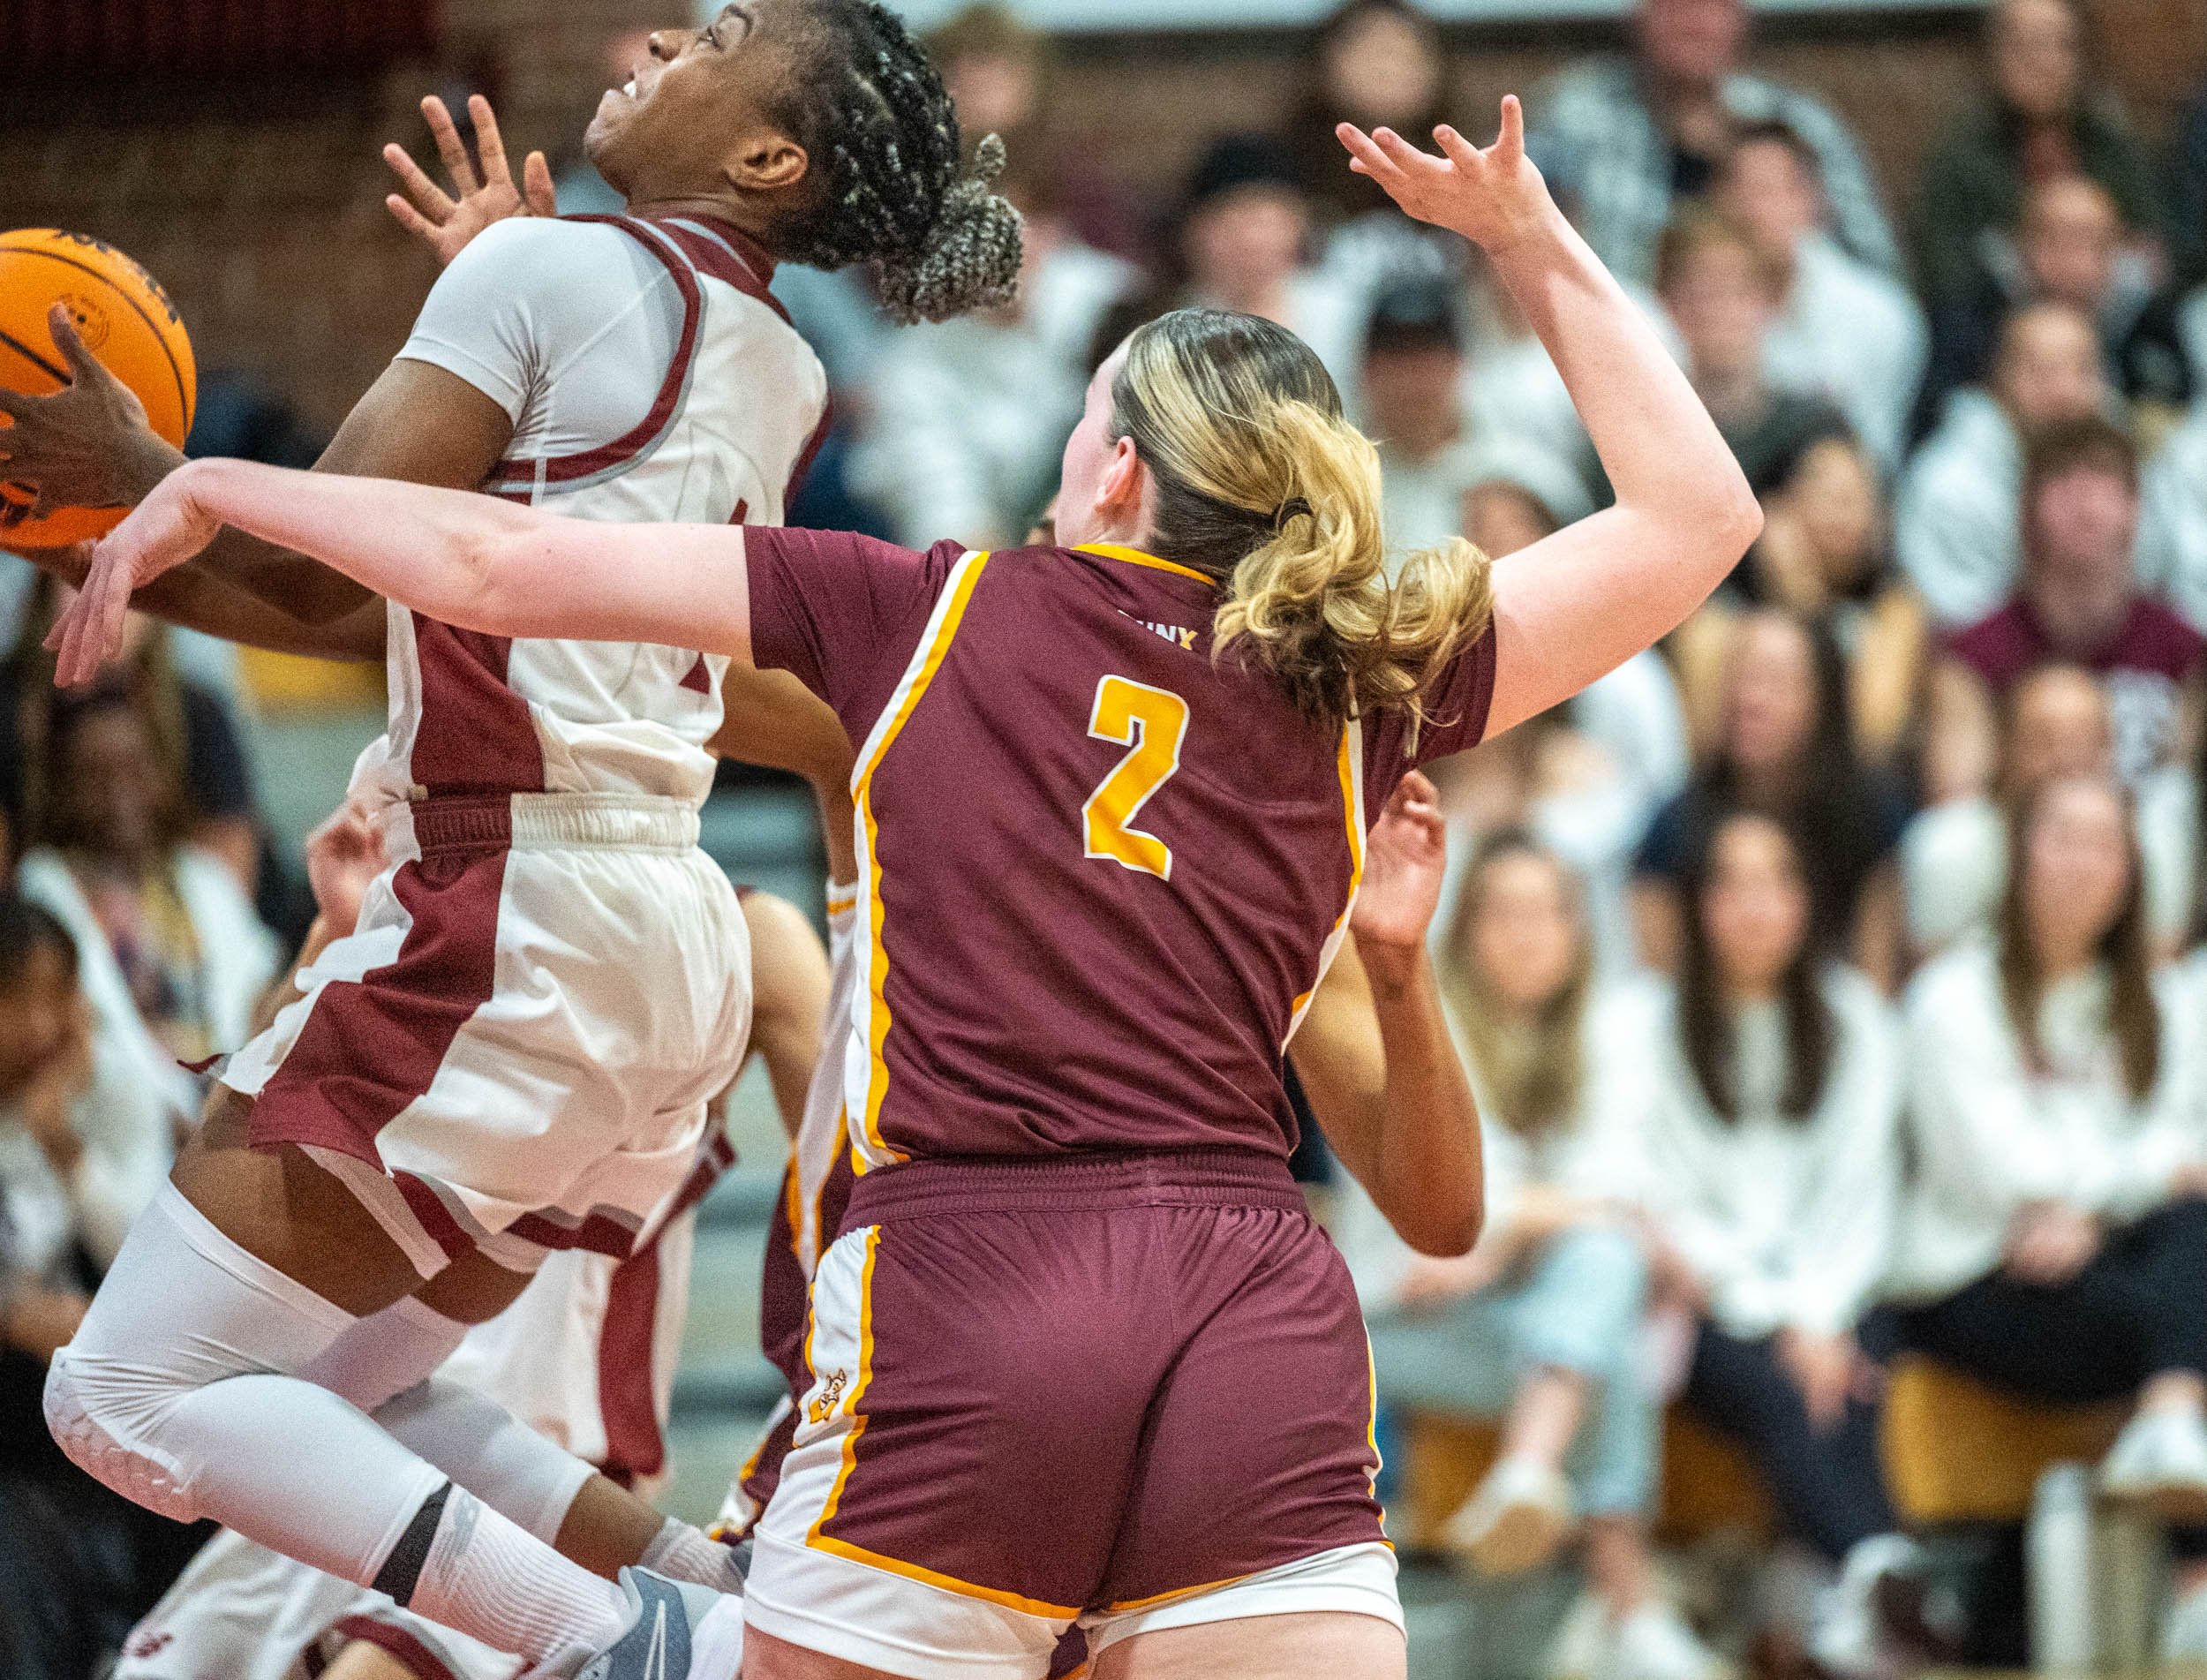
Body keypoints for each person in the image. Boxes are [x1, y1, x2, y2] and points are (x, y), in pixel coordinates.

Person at [49, 98, 1765, 1680]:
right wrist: (1527, 238)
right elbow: (1696, 515)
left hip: (976, 1294)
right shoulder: (1353, 678)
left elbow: (501, 567)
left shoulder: (933, 612)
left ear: (1107, 472)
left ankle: (638, 1635)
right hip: (1248, 1301)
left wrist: (206, 483)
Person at [10, 6, 1025, 1679]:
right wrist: (117, 520)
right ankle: (740, 1600)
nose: (660, 37)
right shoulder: (782, 360)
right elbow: (510, 549)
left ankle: (618, 1646)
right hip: (667, 932)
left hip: (514, 905)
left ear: (768, 154)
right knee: (363, 1390)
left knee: (120, 1395)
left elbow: (329, 581)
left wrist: (135, 481)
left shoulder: (552, 277)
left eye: (722, 34)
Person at [109, 862, 833, 1680]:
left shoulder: (724, 936)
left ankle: (676, 1611)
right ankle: (701, 1602)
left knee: (105, 1395)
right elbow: (239, 1164)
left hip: (540, 1454)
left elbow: (856, 1214)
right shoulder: (412, 888)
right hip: (344, 1429)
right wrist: (325, 947)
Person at [1345, 836, 1720, 1680]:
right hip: (1399, 1321)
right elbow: (1470, 1216)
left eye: (1547, 910)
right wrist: (1531, 1227)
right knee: (1604, 1311)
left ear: (1578, 928)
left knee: (1600, 1271)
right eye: (1503, 911)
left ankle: (1531, 1474)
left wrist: (1517, 1233)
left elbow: (1622, 1177)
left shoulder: (1613, 1031)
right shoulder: (1422, 1026)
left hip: (1523, 1320)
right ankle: (1629, 1605)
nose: (1527, 932)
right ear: (1466, 926)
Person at [1889, 772, 2207, 1663]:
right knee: (2188, 1264)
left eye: (2103, 844)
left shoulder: (2163, 998)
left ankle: (2175, 1440)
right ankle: (2195, 1568)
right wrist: (2126, 1186)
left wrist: (2097, 1214)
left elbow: (2187, 1140)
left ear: (2131, 869)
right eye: (2059, 837)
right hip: (1977, 1277)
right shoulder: (1952, 995)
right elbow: (2002, 1175)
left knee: (2194, 1233)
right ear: (2018, 853)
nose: (2079, 863)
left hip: (2112, 1267)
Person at [1616, 810, 1916, 1675]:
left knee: (1854, 1364)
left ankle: (1862, 1595)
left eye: (1774, 881)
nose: (1754, 906)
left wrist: (1814, 1315)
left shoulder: (1857, 1018)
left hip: (1837, 1292)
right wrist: (1783, 1317)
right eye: (1730, 884)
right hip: (1708, 1301)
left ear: (1804, 899)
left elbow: (1862, 1195)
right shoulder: (1644, 1023)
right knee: (1776, 1381)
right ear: (1698, 904)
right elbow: (1655, 1198)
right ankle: (1879, 1571)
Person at [0, 895, 198, 1680]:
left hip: (110, 1358)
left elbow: (144, 1253)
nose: (46, 1024)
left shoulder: (111, 1081)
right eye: (21, 998)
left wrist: (64, 1148)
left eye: (61, 994)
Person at [15, 685, 277, 1113]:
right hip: (117, 1135)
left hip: (230, 1119)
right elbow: (87, 1035)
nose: (120, 793)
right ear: (63, 791)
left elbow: (260, 995)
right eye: (96, 777)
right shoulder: (45, 886)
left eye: (135, 771)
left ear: (161, 775)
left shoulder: (204, 876)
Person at [1526, 0, 1899, 290]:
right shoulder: (1574, 115)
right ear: (1640, 13)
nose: (1693, 22)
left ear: (1741, 17)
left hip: (1775, 362)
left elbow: (1877, 270)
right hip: (1612, 343)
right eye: (1674, 5)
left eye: (1711, 4)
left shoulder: (1798, 123)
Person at [1635, 607, 1908, 989]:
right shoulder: (1674, 826)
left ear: (1824, 698)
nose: (1750, 699)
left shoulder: (1872, 816)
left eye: (1775, 681)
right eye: (1740, 677)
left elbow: (1877, 980)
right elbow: (1658, 986)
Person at [1945, 415, 2203, 783]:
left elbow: (2187, 803)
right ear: (2027, 509)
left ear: (2135, 507)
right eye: (2062, 477)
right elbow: (1959, 808)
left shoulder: (2185, 652)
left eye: (2102, 476)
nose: (2083, 496)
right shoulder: (1974, 658)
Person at [1902, 663, 2194, 959]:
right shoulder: (1950, 846)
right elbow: (1935, 980)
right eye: (2044, 740)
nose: (2065, 759)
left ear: (2111, 748)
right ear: (2006, 748)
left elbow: (2158, 975)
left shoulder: (2151, 847)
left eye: (2082, 739)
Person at [1913, 0, 2168, 313]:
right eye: (2023, 44)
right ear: (1993, 54)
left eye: (2055, 44)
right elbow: (1947, 279)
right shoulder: (1960, 161)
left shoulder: (2110, 147)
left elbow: (2157, 253)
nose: (2040, 61)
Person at [1714, 123, 1928, 478]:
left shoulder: (1879, 315)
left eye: (1767, 191)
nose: (1751, 212)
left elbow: (1869, 462)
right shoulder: (1683, 305)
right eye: (1739, 191)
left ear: (1812, 199)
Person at [1896, 298, 2112, 626]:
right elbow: (1963, 631)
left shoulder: (2119, 470)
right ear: (2001, 379)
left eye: (2081, 371)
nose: (2065, 392)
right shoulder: (1949, 487)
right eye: (2044, 372)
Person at [1715, 430, 1927, 763]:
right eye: (1831, 495)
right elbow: (1711, 736)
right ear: (1780, 504)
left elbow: (1871, 731)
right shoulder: (1720, 614)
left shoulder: (1896, 608)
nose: (1847, 513)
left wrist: (1799, 593)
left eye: (1859, 496)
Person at [1918, 174, 2191, 433]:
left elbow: (2175, 403)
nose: (2074, 260)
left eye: (2091, 243)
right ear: (2022, 246)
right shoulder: (1969, 322)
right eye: (2057, 239)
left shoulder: (2149, 322)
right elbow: (1936, 417)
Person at [1654, 209, 1849, 496]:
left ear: (1770, 300)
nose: (1719, 309)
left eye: (1738, 289)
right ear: (1668, 302)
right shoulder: (1640, 439)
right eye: (1701, 291)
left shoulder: (1816, 429)